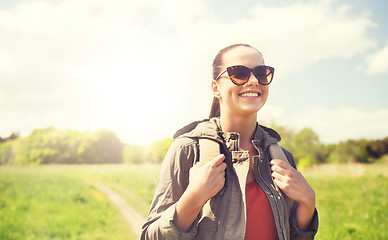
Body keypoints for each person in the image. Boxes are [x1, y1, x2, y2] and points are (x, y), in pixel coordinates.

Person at [141, 44, 318, 240]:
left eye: (261, 73)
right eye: (239, 73)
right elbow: (150, 236)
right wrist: (194, 197)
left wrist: (308, 202)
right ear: (216, 88)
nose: (253, 81)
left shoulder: (283, 158)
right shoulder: (187, 150)